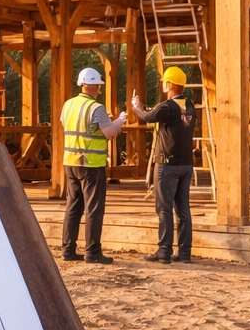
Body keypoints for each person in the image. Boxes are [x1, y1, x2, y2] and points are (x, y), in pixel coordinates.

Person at [131, 66, 197, 264]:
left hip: (167, 165)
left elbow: (148, 117)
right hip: (186, 165)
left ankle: (164, 251)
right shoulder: (190, 105)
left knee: (164, 209)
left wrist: (136, 107)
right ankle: (185, 253)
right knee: (183, 210)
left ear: (169, 84)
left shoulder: (167, 107)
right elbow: (161, 117)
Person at [60, 68, 127, 264]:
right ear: (93, 85)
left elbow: (68, 126)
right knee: (94, 209)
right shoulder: (96, 108)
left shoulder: (68, 105)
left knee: (73, 207)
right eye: (98, 85)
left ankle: (68, 249)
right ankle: (93, 251)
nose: (99, 88)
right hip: (92, 164)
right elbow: (110, 133)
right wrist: (120, 121)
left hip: (70, 162)